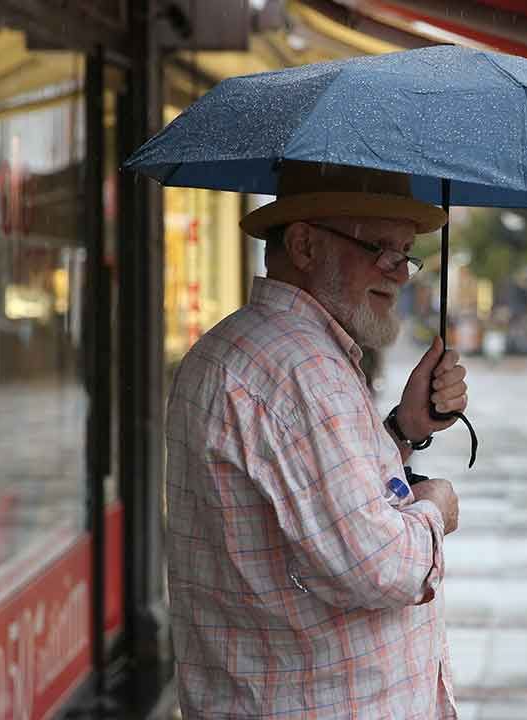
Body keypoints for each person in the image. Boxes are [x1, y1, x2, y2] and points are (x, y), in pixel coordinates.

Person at [165, 162, 468, 719]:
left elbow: (305, 503)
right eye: (379, 246)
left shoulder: (237, 347)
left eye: (405, 251)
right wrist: (435, 511)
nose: (399, 272)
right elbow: (377, 566)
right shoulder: (304, 371)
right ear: (304, 244)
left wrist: (405, 429)